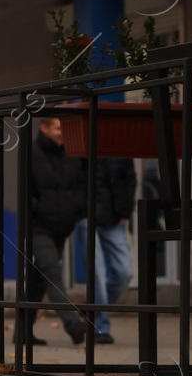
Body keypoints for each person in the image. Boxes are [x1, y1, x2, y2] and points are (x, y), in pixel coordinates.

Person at [20, 116, 88, 346]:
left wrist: (77, 209)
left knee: (39, 279)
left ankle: (22, 332)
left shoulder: (71, 153)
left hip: (63, 226)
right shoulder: (30, 154)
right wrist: (37, 209)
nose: (62, 132)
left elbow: (81, 184)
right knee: (52, 272)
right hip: (39, 226)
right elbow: (20, 188)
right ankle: (72, 324)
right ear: (45, 128)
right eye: (58, 128)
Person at [88, 157, 137, 344]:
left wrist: (125, 211)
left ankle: (93, 309)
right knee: (97, 274)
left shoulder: (117, 145)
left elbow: (130, 179)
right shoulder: (81, 143)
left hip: (115, 218)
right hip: (87, 217)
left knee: (125, 272)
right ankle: (100, 327)